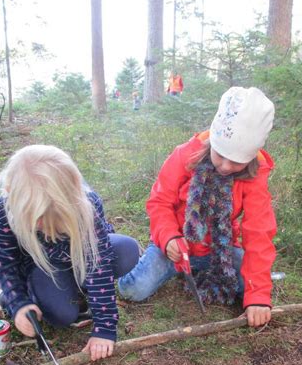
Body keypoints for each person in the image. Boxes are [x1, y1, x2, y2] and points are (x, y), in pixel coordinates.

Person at [118, 86, 276, 328]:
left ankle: (208, 273)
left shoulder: (255, 176)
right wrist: (169, 237)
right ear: (212, 141)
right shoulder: (185, 155)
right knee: (133, 290)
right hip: (174, 249)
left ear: (250, 158)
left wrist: (258, 298)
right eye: (220, 154)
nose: (224, 166)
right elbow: (159, 202)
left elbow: (259, 232)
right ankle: (157, 265)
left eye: (235, 161)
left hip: (220, 250)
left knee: (253, 291)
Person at [0, 145, 140, 360]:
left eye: (57, 224)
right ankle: (16, 294)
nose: (46, 229)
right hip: (43, 267)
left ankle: (75, 288)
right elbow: (6, 264)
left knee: (126, 250)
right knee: (62, 316)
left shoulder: (88, 204)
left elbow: (98, 264)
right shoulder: (4, 213)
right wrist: (19, 304)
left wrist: (105, 327)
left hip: (79, 257)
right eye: (39, 224)